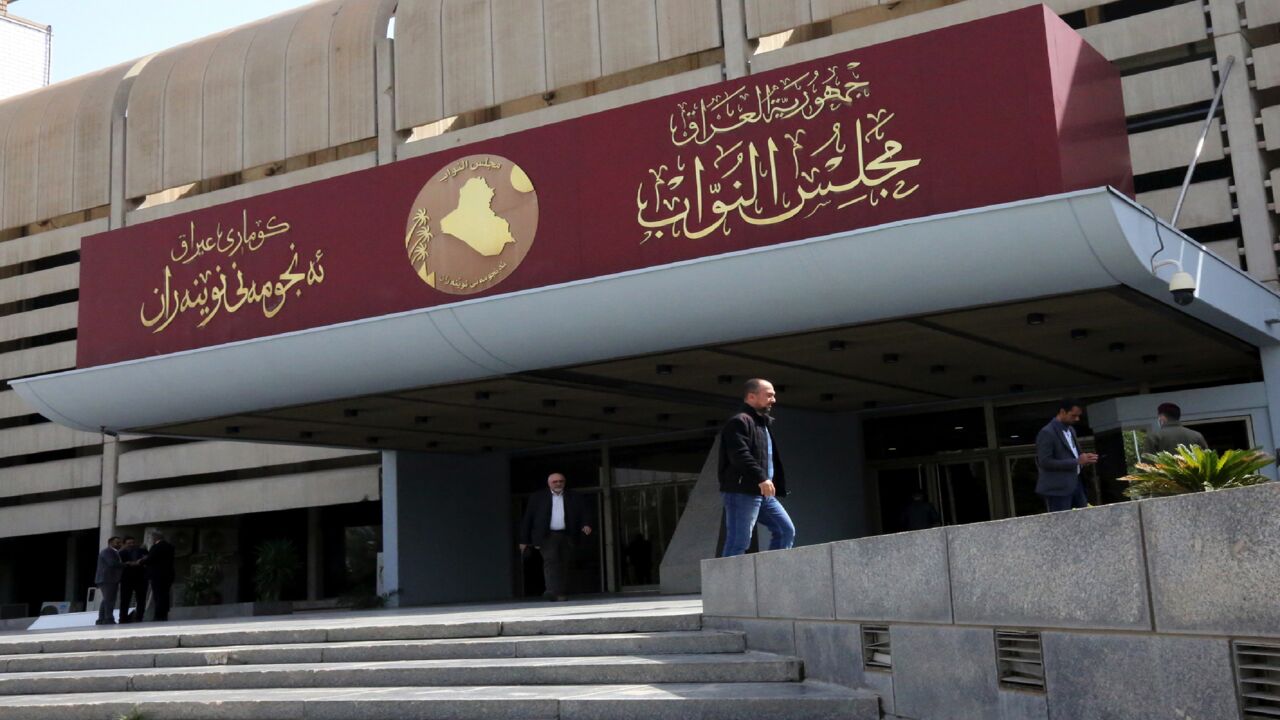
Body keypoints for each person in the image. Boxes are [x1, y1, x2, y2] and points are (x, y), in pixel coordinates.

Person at [718, 378, 795, 557]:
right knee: (739, 541)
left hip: (763, 493)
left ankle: (771, 576)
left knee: (785, 531)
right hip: (741, 491)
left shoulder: (762, 424)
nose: (773, 400)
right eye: (769, 395)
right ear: (751, 397)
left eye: (774, 395)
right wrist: (762, 478)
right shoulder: (739, 422)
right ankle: (729, 584)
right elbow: (740, 455)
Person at [519, 473, 594, 601]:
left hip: (567, 535)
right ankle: (551, 591)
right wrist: (524, 540)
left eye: (561, 481)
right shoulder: (537, 498)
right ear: (549, 483)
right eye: (555, 482)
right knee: (551, 561)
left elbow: (584, 512)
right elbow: (528, 519)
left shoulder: (574, 496)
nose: (558, 484)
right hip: (547, 536)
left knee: (565, 563)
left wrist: (586, 524)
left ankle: (560, 592)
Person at [1035, 399, 1098, 512]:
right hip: (1058, 487)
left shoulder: (1071, 430)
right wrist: (1077, 461)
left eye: (1078, 416)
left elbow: (1074, 454)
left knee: (1084, 518)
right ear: (1062, 412)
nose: (1077, 419)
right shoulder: (1047, 432)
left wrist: (1085, 459)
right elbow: (1045, 461)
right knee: (1062, 522)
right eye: (1073, 415)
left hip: (1076, 482)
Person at [1143, 402, 1207, 455]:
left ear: (1162, 417)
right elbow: (1206, 459)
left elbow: (1147, 464)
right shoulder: (1197, 436)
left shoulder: (1154, 436)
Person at [142, 531, 176, 621]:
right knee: (165, 595)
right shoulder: (170, 546)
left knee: (158, 595)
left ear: (155, 538)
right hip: (168, 575)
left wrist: (141, 561)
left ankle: (159, 615)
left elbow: (150, 559)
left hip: (157, 575)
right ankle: (164, 614)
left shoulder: (156, 547)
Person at [118, 536, 149, 622]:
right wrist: (128, 564)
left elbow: (148, 559)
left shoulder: (142, 551)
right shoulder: (121, 553)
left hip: (141, 578)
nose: (131, 545)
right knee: (125, 600)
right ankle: (123, 618)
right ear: (124, 544)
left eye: (133, 543)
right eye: (129, 543)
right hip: (126, 579)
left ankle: (139, 617)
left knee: (141, 599)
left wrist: (142, 561)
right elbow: (118, 564)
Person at [94, 536, 124, 625]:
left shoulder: (114, 552)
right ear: (110, 543)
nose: (119, 544)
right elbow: (112, 563)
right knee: (109, 600)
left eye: (120, 542)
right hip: (107, 579)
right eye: (117, 542)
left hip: (108, 579)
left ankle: (101, 619)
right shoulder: (108, 552)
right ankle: (109, 619)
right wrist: (125, 564)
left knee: (106, 599)